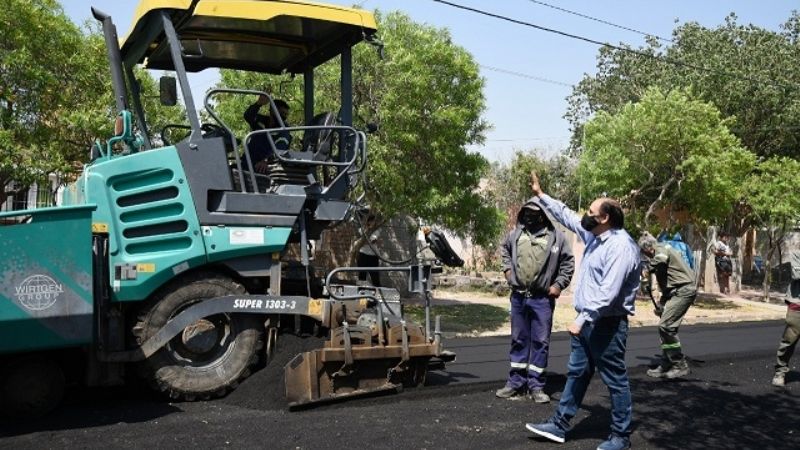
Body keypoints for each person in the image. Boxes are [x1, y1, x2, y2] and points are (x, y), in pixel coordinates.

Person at [524, 172, 640, 450]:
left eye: (590, 212)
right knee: (577, 373)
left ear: (605, 218)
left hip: (607, 325)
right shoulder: (594, 236)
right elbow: (565, 215)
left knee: (615, 381)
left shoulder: (622, 247)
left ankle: (621, 437)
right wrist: (541, 195)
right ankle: (559, 425)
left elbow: (607, 293)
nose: (584, 216)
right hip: (586, 323)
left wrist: (582, 319)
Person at [495, 199, 575, 403]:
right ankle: (515, 383)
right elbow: (504, 250)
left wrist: (558, 285)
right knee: (518, 340)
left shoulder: (556, 238)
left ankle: (536, 386)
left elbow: (568, 263)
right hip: (519, 298)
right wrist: (507, 271)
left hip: (542, 300)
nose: (530, 216)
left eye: (535, 212)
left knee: (540, 342)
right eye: (527, 212)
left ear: (543, 214)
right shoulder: (516, 234)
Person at [638, 232, 696, 379]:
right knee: (666, 328)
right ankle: (667, 362)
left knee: (666, 326)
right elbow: (666, 283)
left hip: (684, 290)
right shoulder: (659, 254)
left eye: (645, 253)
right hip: (674, 292)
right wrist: (662, 302)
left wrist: (646, 271)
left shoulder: (661, 249)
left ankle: (679, 364)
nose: (647, 257)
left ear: (649, 248)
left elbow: (660, 259)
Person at [771, 250, 800, 387]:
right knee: (789, 341)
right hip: (798, 304)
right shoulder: (796, 254)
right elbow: (797, 274)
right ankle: (780, 371)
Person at [243, 94, 291, 173]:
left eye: (286, 114)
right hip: (248, 162)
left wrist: (266, 160)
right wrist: (258, 103)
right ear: (272, 110)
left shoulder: (284, 129)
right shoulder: (261, 121)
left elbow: (280, 148)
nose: (284, 116)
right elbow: (248, 116)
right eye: (282, 113)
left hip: (265, 167)